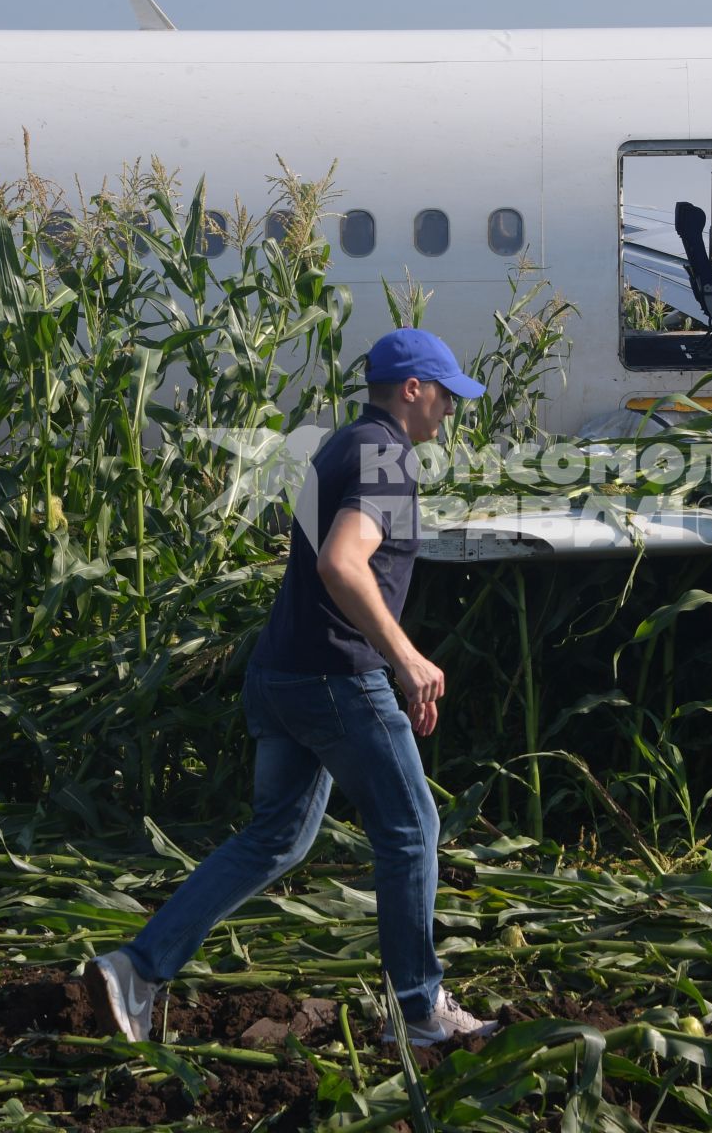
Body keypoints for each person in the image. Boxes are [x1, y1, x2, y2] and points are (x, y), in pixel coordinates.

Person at [86, 327, 499, 1047]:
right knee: (411, 833)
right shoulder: (388, 456)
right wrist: (404, 657)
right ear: (412, 389)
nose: (450, 410)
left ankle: (136, 968)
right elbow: (343, 564)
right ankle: (422, 1012)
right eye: (444, 394)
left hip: (280, 673)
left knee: (277, 837)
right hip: (336, 678)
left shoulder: (342, 443)